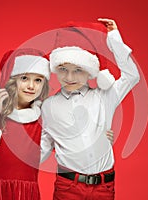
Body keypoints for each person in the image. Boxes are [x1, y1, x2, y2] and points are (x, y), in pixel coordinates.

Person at [40, 18, 140, 200]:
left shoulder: (105, 96)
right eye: (63, 69)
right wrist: (3, 163)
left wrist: (114, 38)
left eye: (78, 70)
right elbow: (43, 147)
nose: (69, 77)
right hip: (68, 187)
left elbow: (132, 76)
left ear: (89, 71)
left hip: (103, 187)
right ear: (55, 69)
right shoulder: (49, 106)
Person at [0, 48, 50, 200]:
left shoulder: (43, 116)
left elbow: (59, 143)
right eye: (24, 78)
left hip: (26, 191)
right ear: (11, 80)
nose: (31, 86)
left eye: (38, 80)